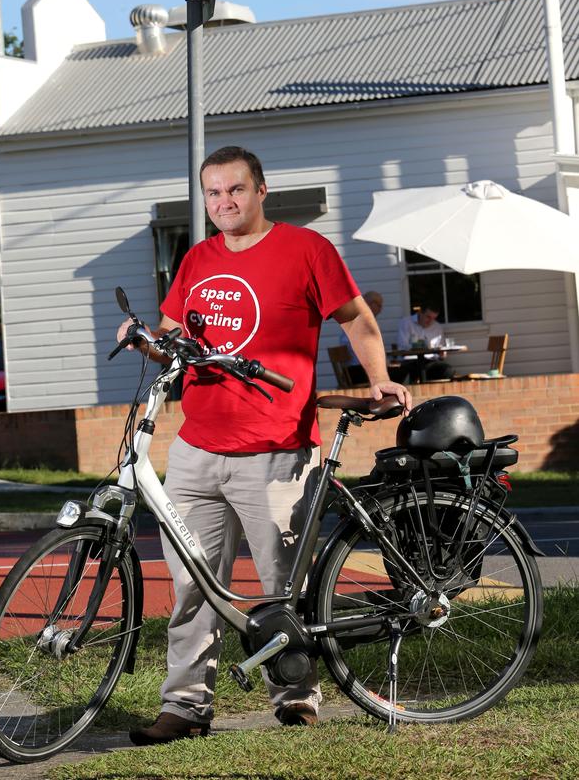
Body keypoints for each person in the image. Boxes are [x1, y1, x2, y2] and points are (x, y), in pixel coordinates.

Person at [117, 146, 411, 745]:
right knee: (191, 588)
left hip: (277, 448)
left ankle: (296, 695)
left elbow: (357, 320)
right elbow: (174, 341)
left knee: (283, 584)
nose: (225, 202)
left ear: (261, 191)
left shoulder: (307, 250)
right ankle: (186, 706)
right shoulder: (197, 259)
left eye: (236, 190)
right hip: (197, 450)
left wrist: (377, 376)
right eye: (214, 193)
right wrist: (143, 339)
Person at [396, 302, 453, 382]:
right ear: (420, 313)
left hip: (430, 361)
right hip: (411, 360)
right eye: (428, 317)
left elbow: (441, 350)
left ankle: (437, 393)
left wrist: (442, 354)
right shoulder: (406, 323)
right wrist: (418, 346)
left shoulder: (437, 327)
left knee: (447, 370)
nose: (431, 321)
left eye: (434, 318)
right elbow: (402, 346)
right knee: (408, 371)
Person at [338, 291, 383, 384]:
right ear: (370, 305)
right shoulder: (360, 321)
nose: (381, 309)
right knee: (405, 369)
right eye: (379, 305)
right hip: (357, 370)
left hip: (358, 369)